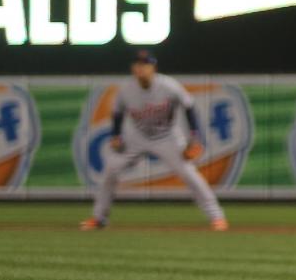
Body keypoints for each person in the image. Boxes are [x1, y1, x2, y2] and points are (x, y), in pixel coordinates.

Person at [80, 50, 228, 232]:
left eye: (145, 64)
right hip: (136, 137)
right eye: (138, 64)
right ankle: (99, 218)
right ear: (133, 68)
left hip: (167, 137)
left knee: (189, 174)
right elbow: (118, 113)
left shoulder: (168, 86)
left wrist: (194, 137)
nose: (141, 68)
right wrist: (116, 136)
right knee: (111, 170)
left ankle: (217, 217)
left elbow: (189, 107)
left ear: (153, 68)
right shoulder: (126, 89)